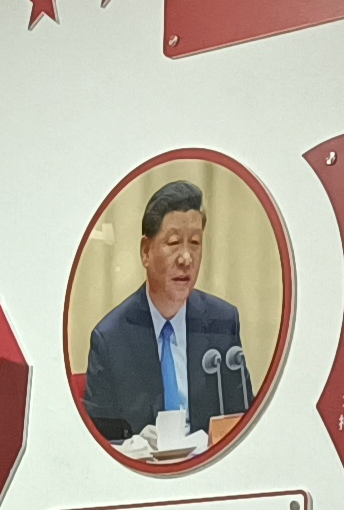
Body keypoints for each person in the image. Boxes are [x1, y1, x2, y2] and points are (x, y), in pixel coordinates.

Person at [79, 176, 250, 456]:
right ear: (146, 252)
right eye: (173, 242)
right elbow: (97, 440)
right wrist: (131, 445)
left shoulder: (222, 322)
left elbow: (243, 418)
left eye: (195, 243)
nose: (186, 258)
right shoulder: (111, 337)